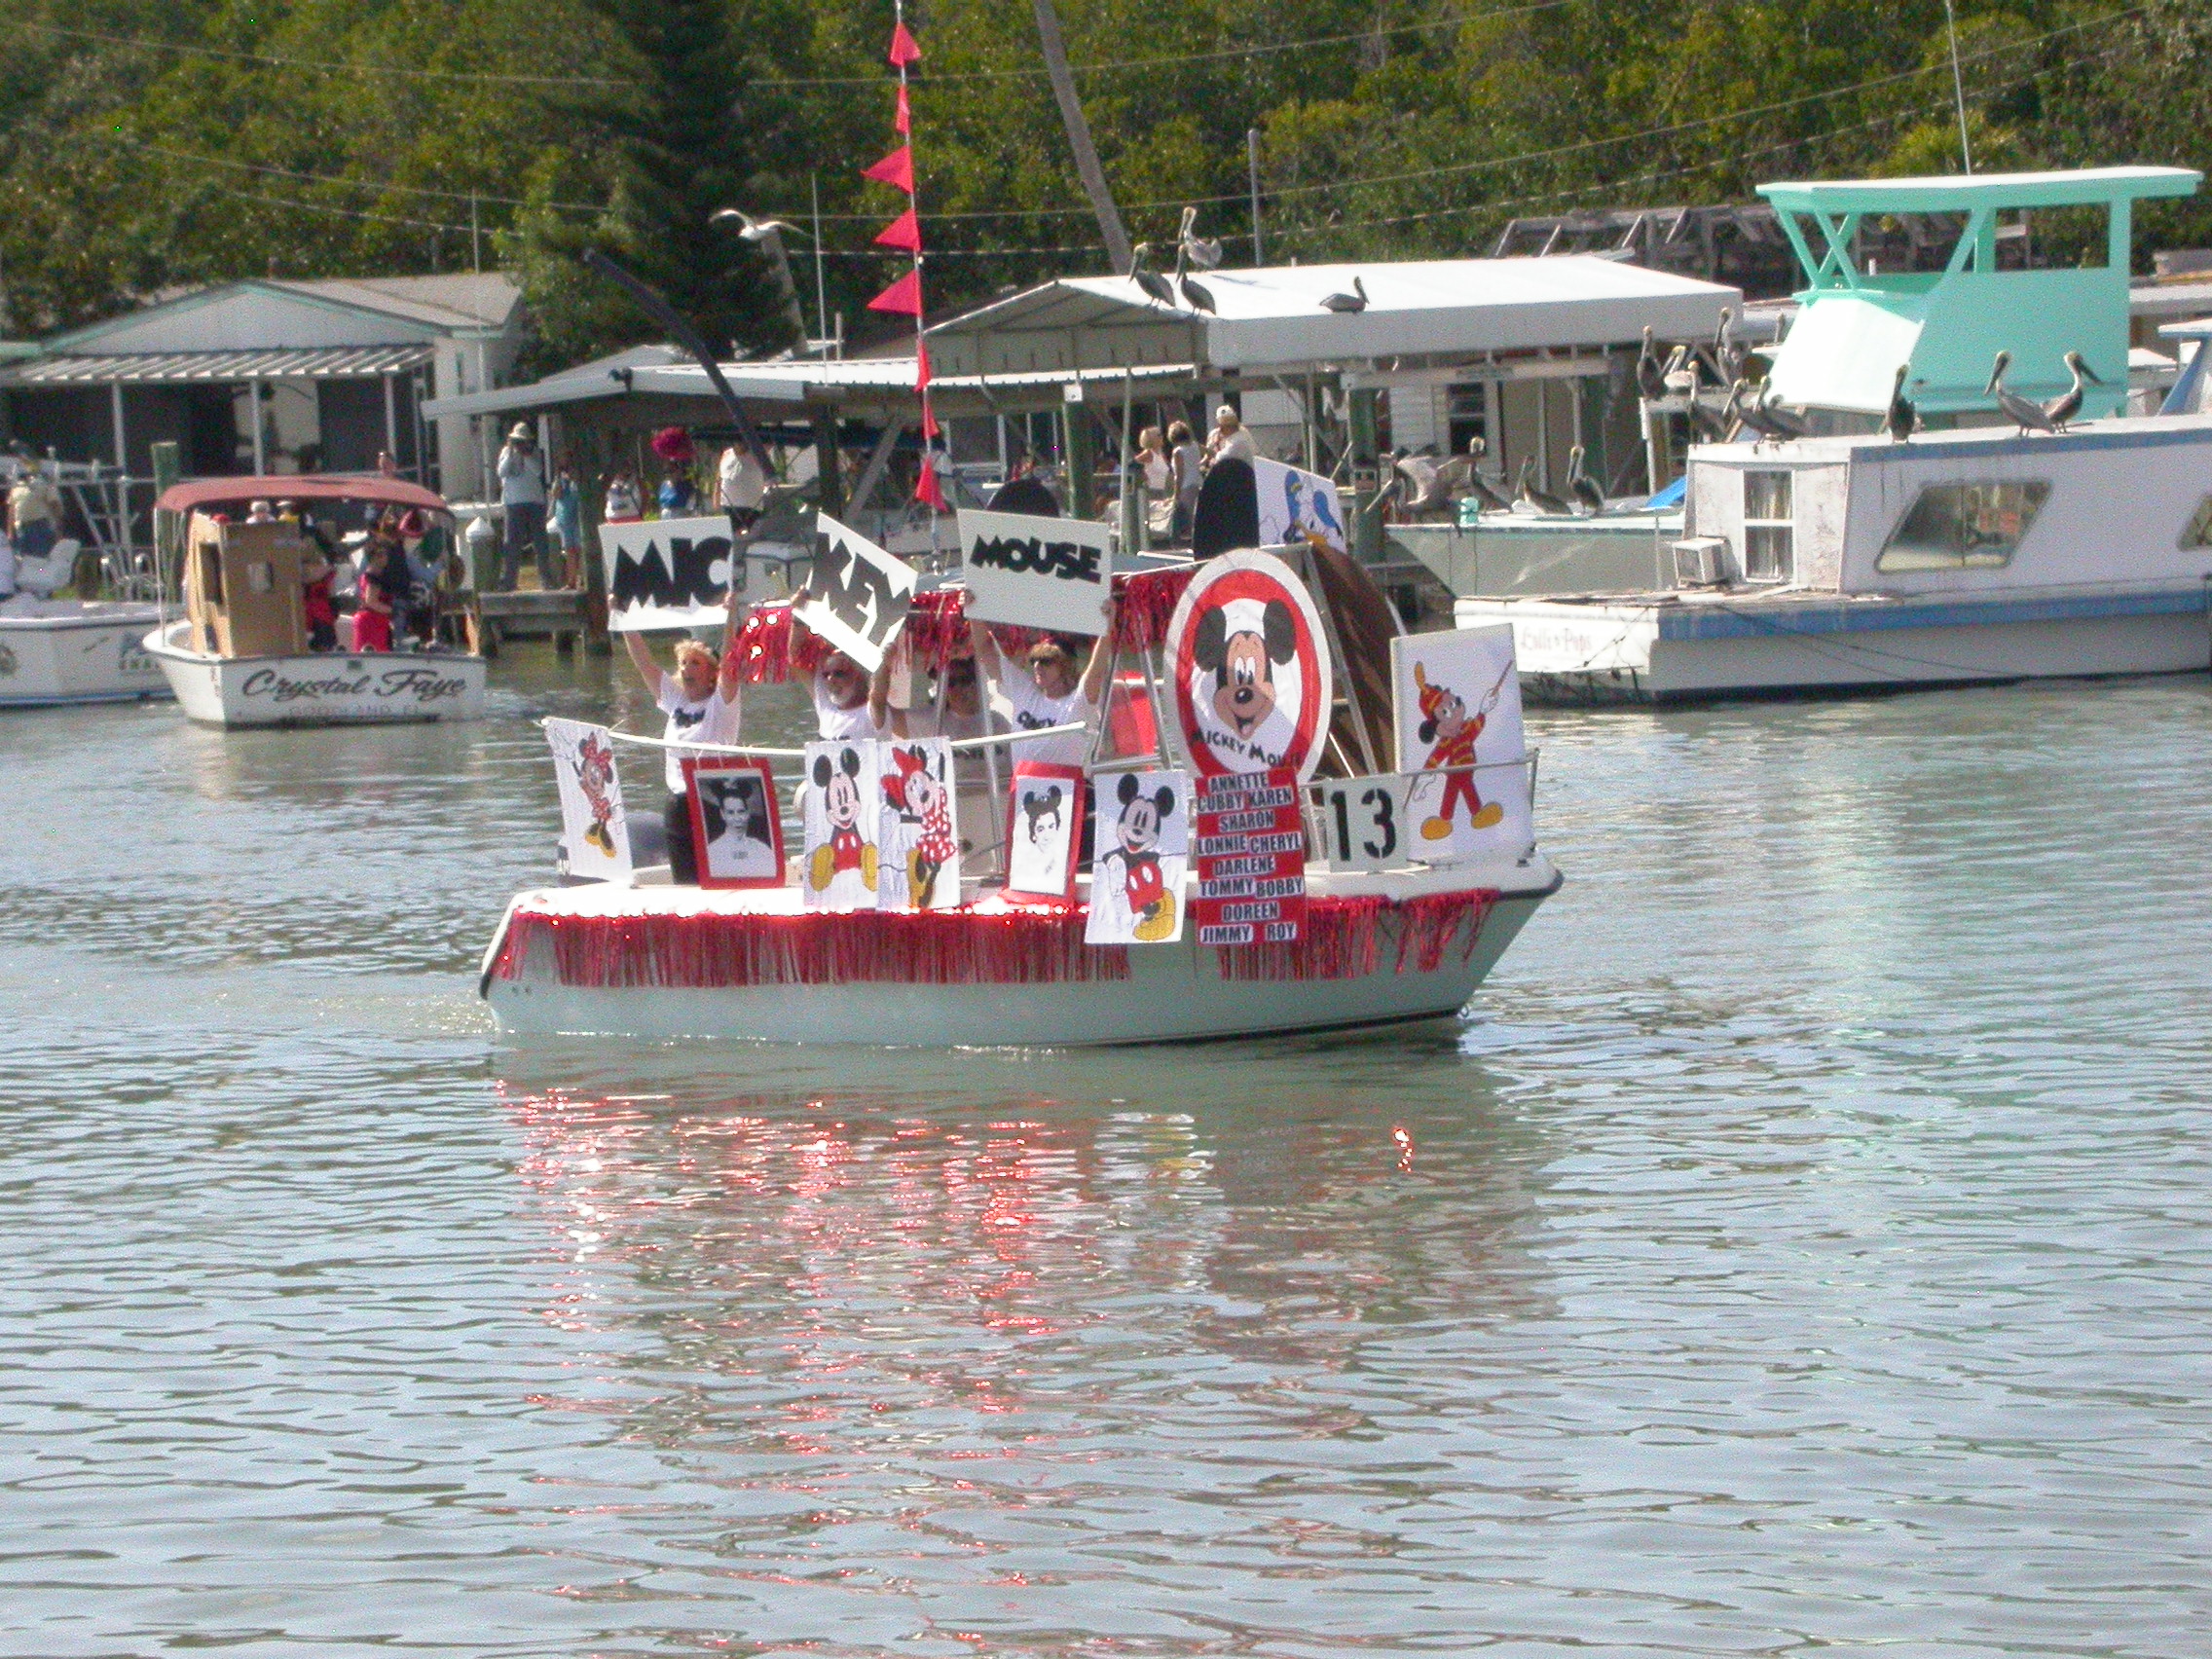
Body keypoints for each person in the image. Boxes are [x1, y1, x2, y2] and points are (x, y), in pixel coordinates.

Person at [623, 586, 747, 885]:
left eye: (695, 663)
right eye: (683, 663)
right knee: (685, 879)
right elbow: (644, 664)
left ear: (711, 673)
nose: (687, 668)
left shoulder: (721, 704)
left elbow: (731, 664)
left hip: (712, 798)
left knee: (717, 876)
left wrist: (731, 616)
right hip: (678, 800)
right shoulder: (676, 701)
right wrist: (624, 619)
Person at [968, 613, 1114, 767]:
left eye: (1045, 661)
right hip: (1021, 780)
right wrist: (973, 613)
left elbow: (1096, 672)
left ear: (1066, 665)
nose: (1037, 666)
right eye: (1034, 660)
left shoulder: (1079, 701)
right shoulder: (1025, 691)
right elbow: (986, 651)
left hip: (1065, 781)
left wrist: (1107, 627)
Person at [496, 422, 552, 591]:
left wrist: (526, 454)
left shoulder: (535, 452)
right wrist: (511, 452)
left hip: (535, 502)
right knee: (512, 543)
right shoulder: (506, 452)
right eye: (517, 440)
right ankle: (509, 581)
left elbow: (537, 470)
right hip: (513, 502)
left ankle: (545, 580)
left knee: (540, 542)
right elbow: (501, 472)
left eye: (522, 440)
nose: (519, 444)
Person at [351, 538, 399, 652]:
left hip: (374, 620)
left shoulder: (372, 573)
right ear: (372, 557)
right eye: (379, 555)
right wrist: (392, 610)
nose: (384, 558)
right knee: (376, 656)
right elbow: (371, 601)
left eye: (385, 554)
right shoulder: (374, 575)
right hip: (371, 622)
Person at [718, 443, 767, 531]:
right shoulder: (727, 453)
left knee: (751, 534)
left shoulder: (758, 453)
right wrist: (716, 498)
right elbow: (719, 477)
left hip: (752, 506)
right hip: (728, 505)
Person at [1168, 420, 1203, 540]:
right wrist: (1201, 464)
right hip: (1197, 482)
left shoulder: (1178, 451)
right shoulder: (1195, 445)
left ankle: (1186, 541)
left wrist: (1175, 495)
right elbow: (1210, 452)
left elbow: (1179, 475)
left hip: (1185, 486)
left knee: (1185, 516)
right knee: (1195, 515)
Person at [549, 467, 583, 587]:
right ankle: (571, 581)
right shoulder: (560, 478)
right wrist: (558, 477)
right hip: (564, 518)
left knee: (581, 549)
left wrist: (574, 477)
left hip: (579, 516)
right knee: (569, 550)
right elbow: (556, 494)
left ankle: (583, 580)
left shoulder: (581, 477)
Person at [301, 544, 338, 650]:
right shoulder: (327, 571)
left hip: (305, 611)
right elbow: (331, 593)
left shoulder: (298, 571)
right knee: (324, 646)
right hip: (323, 612)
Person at [1203, 405, 1256, 469]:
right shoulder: (1214, 434)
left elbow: (1222, 458)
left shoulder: (1241, 436)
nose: (1226, 427)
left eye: (1229, 423)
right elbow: (1208, 454)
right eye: (1223, 423)